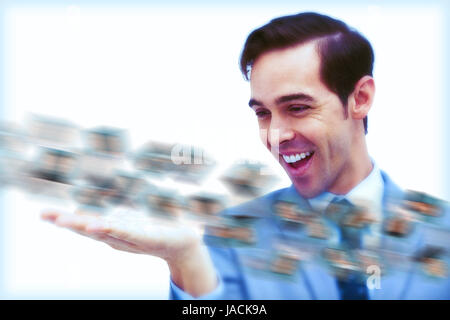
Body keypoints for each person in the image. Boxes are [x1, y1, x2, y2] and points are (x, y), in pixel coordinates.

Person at [41, 11, 450, 299]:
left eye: (298, 107)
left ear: (359, 99)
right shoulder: (228, 237)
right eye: (262, 113)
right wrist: (186, 261)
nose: (276, 134)